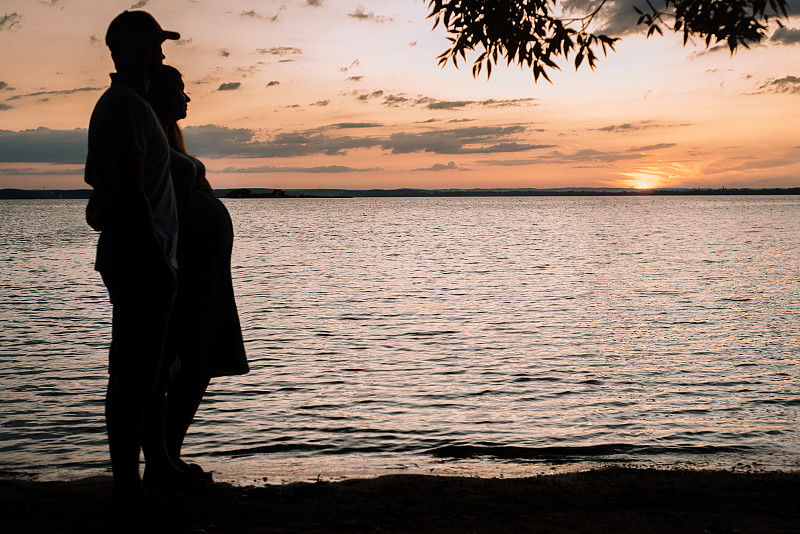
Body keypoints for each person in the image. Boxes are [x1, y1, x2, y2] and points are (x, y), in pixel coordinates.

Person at [84, 11, 184, 509]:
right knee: (131, 377)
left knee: (145, 374)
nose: (162, 52)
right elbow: (129, 192)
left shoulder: (128, 106)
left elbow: (99, 193)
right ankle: (128, 485)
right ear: (142, 47)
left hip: (143, 259)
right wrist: (159, 262)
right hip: (142, 262)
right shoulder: (124, 106)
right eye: (156, 43)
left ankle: (150, 472)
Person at [147, 65, 249, 479]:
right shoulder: (148, 135)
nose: (187, 100)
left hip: (205, 273)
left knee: (199, 362)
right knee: (177, 363)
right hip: (181, 268)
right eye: (181, 91)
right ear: (163, 94)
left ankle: (169, 454)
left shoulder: (170, 138)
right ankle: (162, 461)